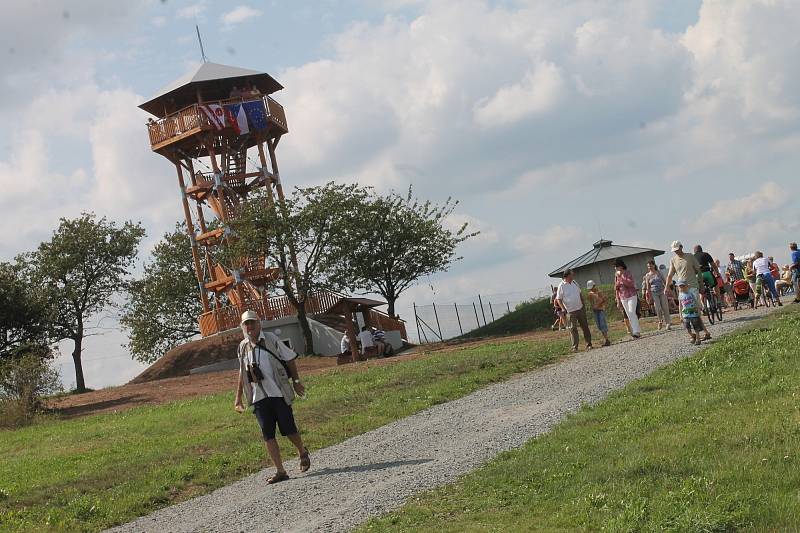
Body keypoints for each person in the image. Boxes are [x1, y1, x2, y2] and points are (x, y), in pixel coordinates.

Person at [234, 310, 310, 484]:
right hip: (258, 397)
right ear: (242, 327)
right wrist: (238, 399)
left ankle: (302, 451)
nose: (250, 326)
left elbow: (290, 358)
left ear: (259, 324)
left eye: (252, 322)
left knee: (288, 429)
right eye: (246, 324)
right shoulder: (242, 347)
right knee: (268, 434)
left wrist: (297, 381)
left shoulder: (271, 339)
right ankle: (280, 471)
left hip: (278, 393)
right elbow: (241, 373)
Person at [666, 241, 711, 340]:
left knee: (694, 311)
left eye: (677, 249)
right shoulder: (673, 260)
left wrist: (701, 284)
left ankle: (699, 335)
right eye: (674, 250)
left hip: (693, 286)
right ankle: (702, 333)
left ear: (681, 247)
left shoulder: (690, 256)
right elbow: (670, 275)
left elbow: (698, 270)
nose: (676, 252)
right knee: (686, 312)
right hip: (681, 288)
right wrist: (666, 287)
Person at [555, 268, 592, 352]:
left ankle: (589, 344)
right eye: (572, 274)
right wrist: (564, 309)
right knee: (573, 328)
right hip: (570, 311)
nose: (573, 275)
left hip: (580, 308)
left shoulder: (575, 283)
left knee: (585, 326)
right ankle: (575, 347)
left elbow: (580, 293)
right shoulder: (561, 285)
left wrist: (583, 305)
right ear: (567, 275)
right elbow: (558, 299)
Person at [614, 259, 641, 339]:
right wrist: (617, 299)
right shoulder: (616, 275)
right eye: (614, 267)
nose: (615, 268)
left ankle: (636, 331)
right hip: (623, 297)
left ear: (621, 266)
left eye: (616, 266)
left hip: (631, 295)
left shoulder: (628, 273)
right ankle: (635, 331)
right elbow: (616, 288)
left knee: (632, 311)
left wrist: (621, 278)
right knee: (629, 314)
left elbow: (630, 283)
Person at [643, 260, 671, 330]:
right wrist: (649, 296)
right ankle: (660, 321)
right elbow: (648, 287)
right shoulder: (647, 275)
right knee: (658, 308)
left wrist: (667, 289)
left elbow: (664, 281)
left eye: (651, 265)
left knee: (665, 307)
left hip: (662, 291)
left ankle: (668, 323)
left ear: (654, 265)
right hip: (654, 293)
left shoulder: (659, 272)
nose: (650, 267)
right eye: (648, 266)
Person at [693, 244, 722, 310]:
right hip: (707, 273)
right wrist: (717, 274)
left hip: (698, 276)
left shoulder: (693, 257)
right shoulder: (706, 254)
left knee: (701, 291)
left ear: (694, 251)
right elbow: (713, 265)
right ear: (701, 249)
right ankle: (719, 301)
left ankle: (703, 306)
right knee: (716, 285)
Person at [677, 281, 704, 346]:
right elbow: (680, 306)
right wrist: (680, 315)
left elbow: (695, 301)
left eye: (683, 286)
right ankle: (692, 335)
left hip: (693, 313)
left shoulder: (691, 294)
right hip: (685, 314)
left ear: (687, 286)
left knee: (695, 326)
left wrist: (698, 309)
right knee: (687, 327)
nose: (682, 288)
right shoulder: (680, 296)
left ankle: (698, 338)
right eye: (680, 287)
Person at [587, 280, 611, 346]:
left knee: (602, 324)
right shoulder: (590, 294)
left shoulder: (599, 292)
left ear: (594, 286)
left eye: (592, 287)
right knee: (599, 325)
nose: (591, 289)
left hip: (600, 310)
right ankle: (605, 339)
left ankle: (607, 340)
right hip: (595, 311)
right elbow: (591, 302)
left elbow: (603, 299)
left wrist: (597, 305)